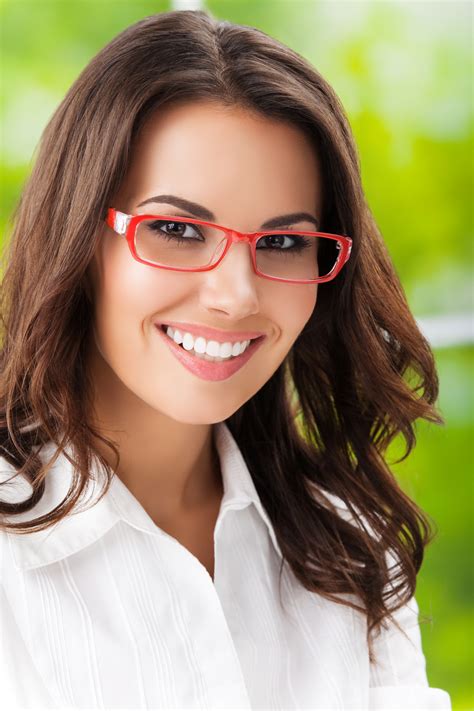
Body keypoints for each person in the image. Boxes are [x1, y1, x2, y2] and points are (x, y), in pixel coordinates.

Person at [0, 8, 451, 710]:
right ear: (80, 237)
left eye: (280, 244)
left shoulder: (349, 547)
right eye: (177, 228)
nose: (235, 295)